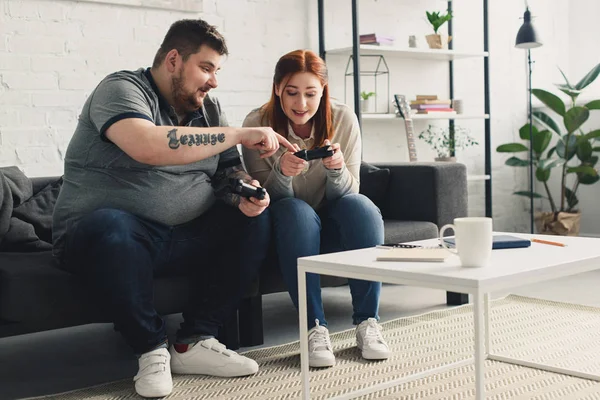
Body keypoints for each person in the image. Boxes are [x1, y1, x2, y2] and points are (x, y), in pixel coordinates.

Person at [52, 19, 295, 398]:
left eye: (217, 71)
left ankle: (194, 341)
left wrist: (245, 193)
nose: (214, 81)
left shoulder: (208, 108)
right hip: (108, 240)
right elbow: (148, 144)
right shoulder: (121, 89)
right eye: (207, 68)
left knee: (255, 218)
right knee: (111, 226)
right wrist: (239, 133)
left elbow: (228, 173)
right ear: (173, 60)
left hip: (183, 238)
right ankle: (150, 349)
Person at [242, 49, 390, 368]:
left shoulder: (343, 118)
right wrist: (281, 172)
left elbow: (350, 193)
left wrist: (337, 170)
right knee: (295, 211)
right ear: (278, 88)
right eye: (292, 93)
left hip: (334, 218)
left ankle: (368, 322)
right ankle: (314, 327)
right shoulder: (257, 124)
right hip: (289, 223)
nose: (302, 104)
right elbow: (263, 199)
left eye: (311, 93)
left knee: (362, 208)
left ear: (323, 91)